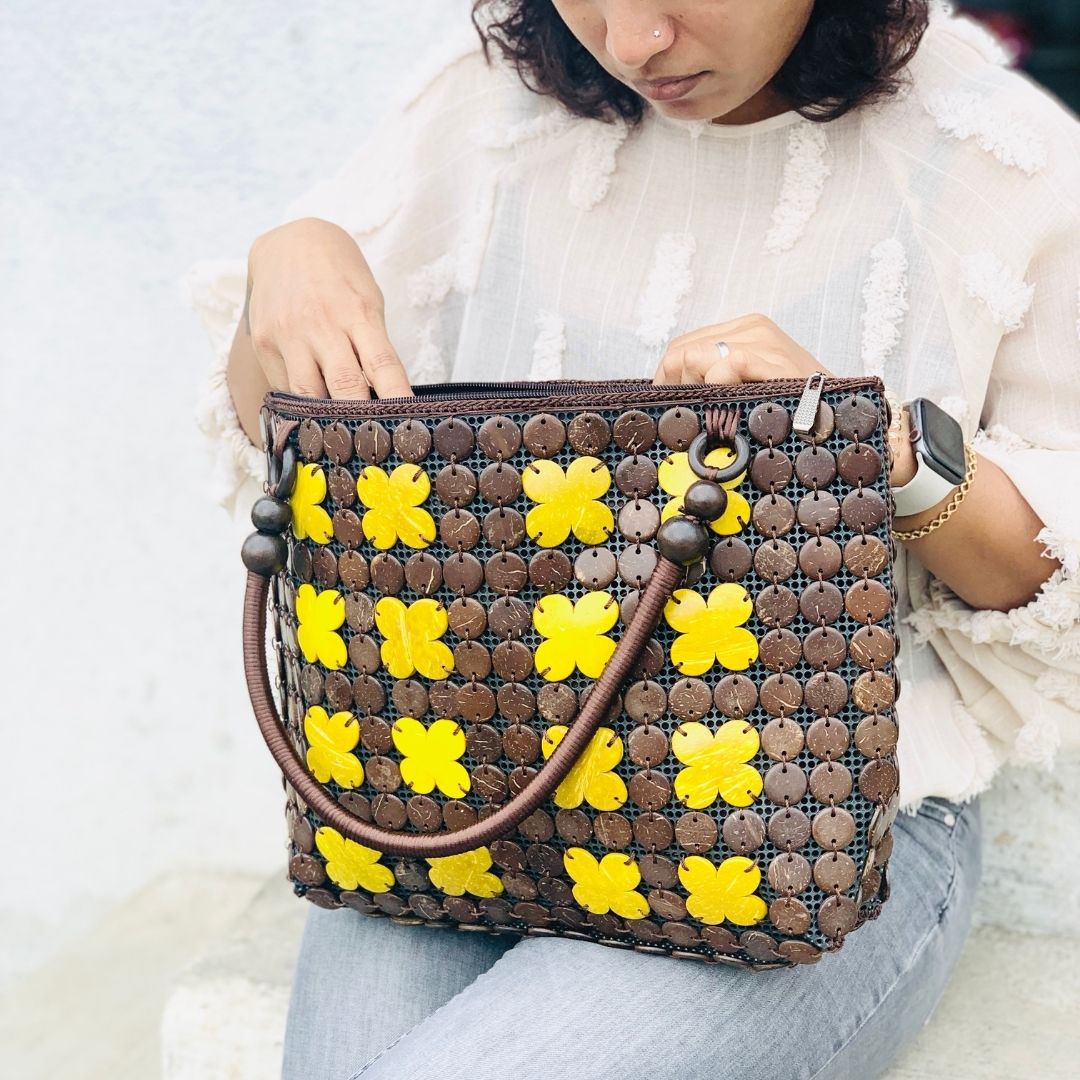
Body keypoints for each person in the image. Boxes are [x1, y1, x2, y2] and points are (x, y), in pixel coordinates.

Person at [188, 2, 1080, 1077]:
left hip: (811, 824)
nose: (631, 40)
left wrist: (873, 444)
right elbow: (281, 435)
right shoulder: (482, 112)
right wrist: (288, 266)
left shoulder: (992, 157)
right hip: (456, 790)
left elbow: (1047, 573)